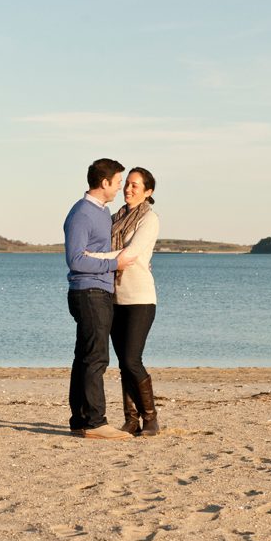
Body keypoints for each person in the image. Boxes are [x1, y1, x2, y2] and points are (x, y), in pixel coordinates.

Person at [63, 158, 137, 440]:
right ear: (104, 182)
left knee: (85, 356)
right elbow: (76, 258)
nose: (120, 187)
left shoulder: (102, 213)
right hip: (89, 291)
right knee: (95, 358)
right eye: (118, 182)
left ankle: (81, 421)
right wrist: (113, 264)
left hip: (97, 290)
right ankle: (95, 423)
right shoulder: (83, 213)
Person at [86, 167, 160, 436]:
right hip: (114, 296)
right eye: (126, 184)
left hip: (140, 298)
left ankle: (150, 418)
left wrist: (91, 258)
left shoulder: (149, 219)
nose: (128, 189)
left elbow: (130, 253)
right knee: (122, 362)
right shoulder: (115, 218)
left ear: (148, 192)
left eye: (135, 186)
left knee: (131, 360)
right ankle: (131, 419)